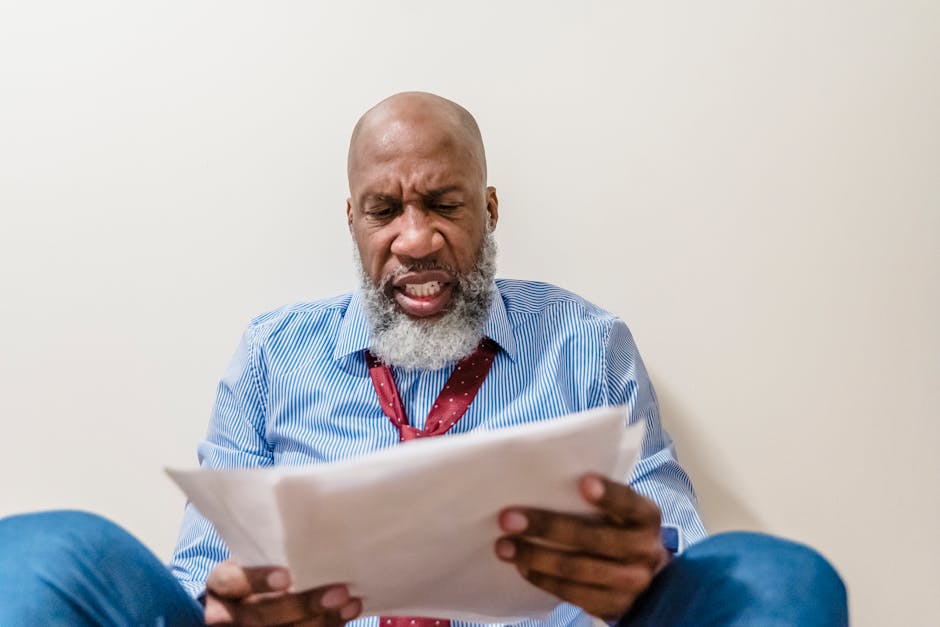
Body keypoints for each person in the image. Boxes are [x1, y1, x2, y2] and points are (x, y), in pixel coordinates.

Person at [0, 92, 848, 627]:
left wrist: (645, 565)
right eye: (385, 210)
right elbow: (196, 575)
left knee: (776, 578)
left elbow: (679, 544)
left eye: (443, 203)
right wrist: (228, 606)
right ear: (352, 221)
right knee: (47, 552)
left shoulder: (588, 344)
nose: (415, 239)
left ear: (488, 208)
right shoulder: (270, 354)